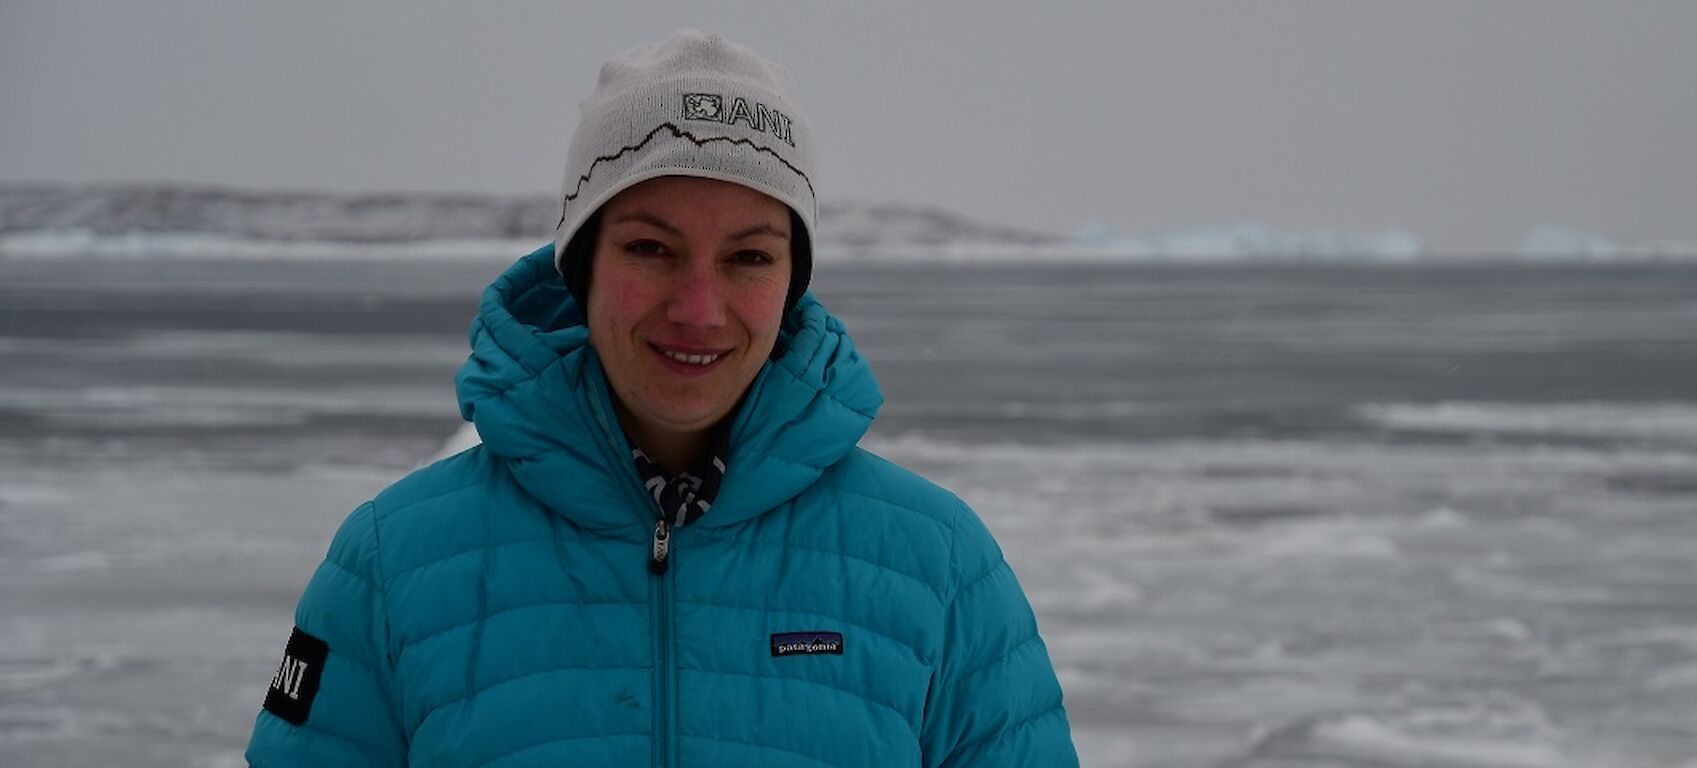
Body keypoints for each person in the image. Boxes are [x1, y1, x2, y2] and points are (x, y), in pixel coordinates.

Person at [244, 29, 1077, 767]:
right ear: (582, 264)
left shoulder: (937, 566)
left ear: (792, 281)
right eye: (651, 248)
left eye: (748, 258)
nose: (698, 309)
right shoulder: (394, 564)